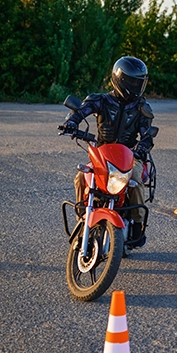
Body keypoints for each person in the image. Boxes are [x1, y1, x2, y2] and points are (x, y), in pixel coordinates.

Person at [61, 56, 156, 248]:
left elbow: (147, 133)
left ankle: (137, 224)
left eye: (139, 82)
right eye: (132, 81)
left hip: (129, 155)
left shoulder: (141, 108)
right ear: (120, 79)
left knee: (135, 182)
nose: (136, 86)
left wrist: (143, 146)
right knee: (81, 177)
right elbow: (81, 111)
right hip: (102, 153)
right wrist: (72, 122)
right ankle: (83, 214)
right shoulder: (101, 101)